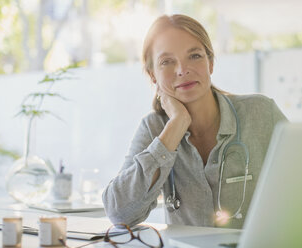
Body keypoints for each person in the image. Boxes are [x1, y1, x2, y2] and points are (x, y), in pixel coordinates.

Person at [102, 14, 287, 229]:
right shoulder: (153, 128)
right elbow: (119, 213)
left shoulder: (261, 112)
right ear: (153, 75)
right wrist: (176, 125)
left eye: (195, 56)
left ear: (210, 63)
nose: (182, 70)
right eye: (167, 61)